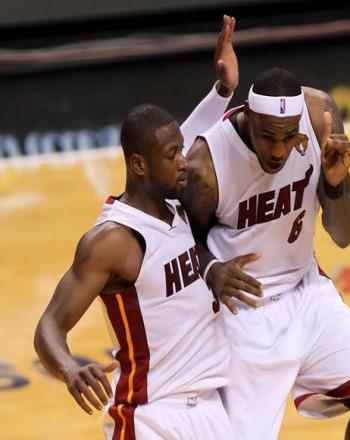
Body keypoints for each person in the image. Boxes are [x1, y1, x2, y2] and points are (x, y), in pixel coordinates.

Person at [34, 16, 239, 439]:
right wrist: (70, 369)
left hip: (209, 411)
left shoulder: (171, 197)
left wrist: (223, 89)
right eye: (173, 154)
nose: (184, 161)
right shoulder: (113, 240)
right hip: (149, 416)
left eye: (181, 151)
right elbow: (49, 326)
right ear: (139, 165)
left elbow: (193, 130)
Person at [182, 67, 350, 439]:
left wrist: (333, 186)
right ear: (248, 116)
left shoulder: (319, 117)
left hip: (306, 293)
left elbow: (344, 234)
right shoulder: (207, 163)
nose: (279, 150)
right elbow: (178, 241)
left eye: (289, 137)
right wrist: (211, 269)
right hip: (241, 311)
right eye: (269, 137)